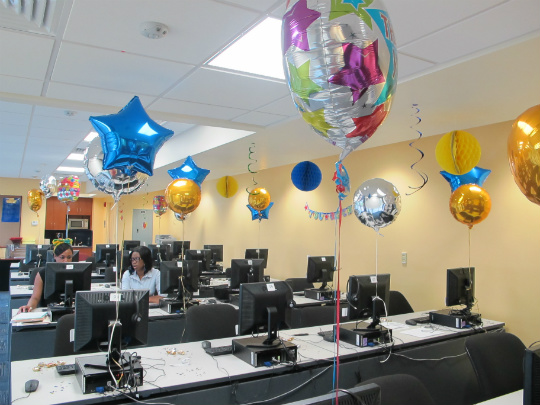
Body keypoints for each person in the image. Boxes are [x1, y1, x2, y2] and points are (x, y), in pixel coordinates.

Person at [18, 242, 74, 313]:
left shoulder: (77, 272)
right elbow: (35, 298)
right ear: (55, 256)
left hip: (71, 312)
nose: (66, 261)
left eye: (69, 257)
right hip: (48, 312)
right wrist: (29, 307)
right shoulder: (43, 273)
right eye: (62, 257)